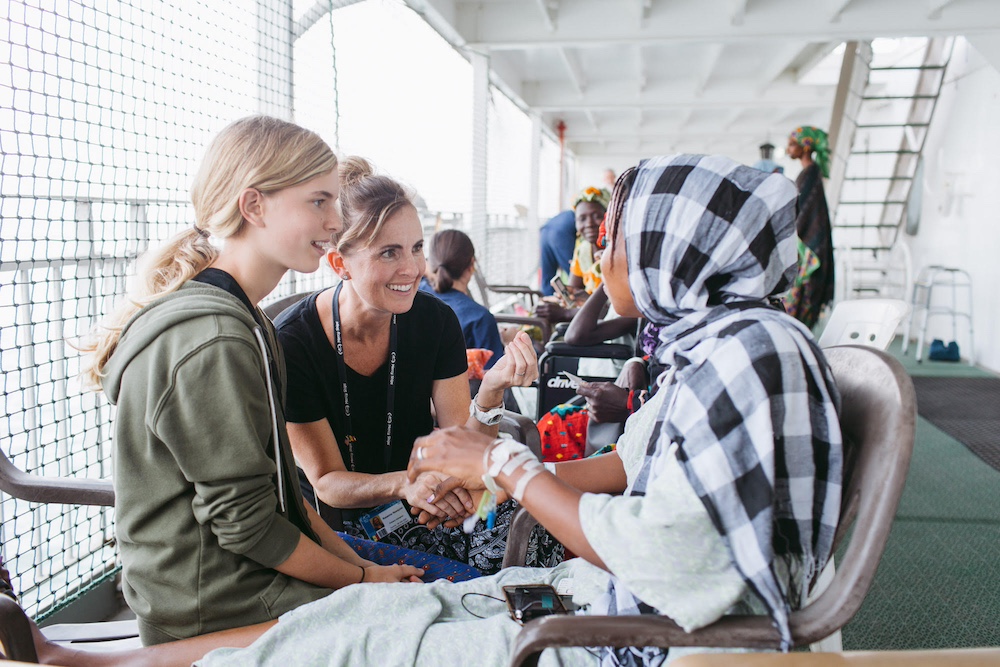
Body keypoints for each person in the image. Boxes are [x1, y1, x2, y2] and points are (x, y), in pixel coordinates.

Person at [46, 153, 843, 667]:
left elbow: (665, 547)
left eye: (618, 240)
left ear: (677, 250)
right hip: (572, 589)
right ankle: (91, 663)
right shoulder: (729, 348)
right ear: (339, 260)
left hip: (623, 626)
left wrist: (496, 468)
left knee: (367, 619)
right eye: (388, 250)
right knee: (369, 605)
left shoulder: (740, 356)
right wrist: (489, 472)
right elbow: (606, 464)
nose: (598, 257)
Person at [77, 117, 428, 645]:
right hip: (215, 605)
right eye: (318, 202)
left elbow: (281, 494)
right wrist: (362, 580)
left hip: (250, 576)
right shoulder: (216, 339)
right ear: (254, 206)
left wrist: (361, 567)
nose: (336, 221)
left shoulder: (248, 320)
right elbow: (247, 525)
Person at [273, 157, 554, 575]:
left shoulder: (436, 322)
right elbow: (328, 483)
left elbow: (460, 447)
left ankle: (510, 624)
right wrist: (407, 484)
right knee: (479, 577)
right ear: (339, 264)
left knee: (536, 517)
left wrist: (491, 390)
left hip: (427, 504)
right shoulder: (293, 342)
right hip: (341, 531)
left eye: (417, 248)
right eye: (389, 252)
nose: (412, 270)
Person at [419, 228, 505, 369]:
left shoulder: (415, 294)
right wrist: (507, 343)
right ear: (472, 265)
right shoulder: (479, 318)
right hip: (461, 390)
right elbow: (495, 377)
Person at [535, 185, 610, 325]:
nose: (589, 224)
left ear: (608, 217)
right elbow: (573, 292)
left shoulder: (615, 253)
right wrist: (565, 300)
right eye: (582, 218)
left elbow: (612, 311)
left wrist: (565, 313)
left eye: (597, 216)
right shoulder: (583, 250)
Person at [785, 125, 835, 328]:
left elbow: (803, 212)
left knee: (797, 305)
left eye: (791, 145)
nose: (788, 149)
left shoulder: (810, 174)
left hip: (809, 250)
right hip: (809, 245)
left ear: (805, 148)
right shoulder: (809, 173)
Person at [538, 209, 576, 296]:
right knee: (576, 275)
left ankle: (548, 305)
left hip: (544, 232)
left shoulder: (570, 213)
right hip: (560, 233)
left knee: (548, 280)